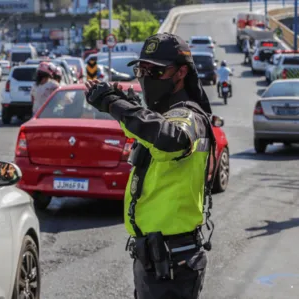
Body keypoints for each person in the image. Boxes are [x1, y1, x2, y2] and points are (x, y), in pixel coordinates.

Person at [84, 32, 216, 299]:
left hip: (173, 261)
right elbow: (149, 129)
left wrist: (114, 104)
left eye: (156, 71)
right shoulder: (163, 116)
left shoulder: (189, 115)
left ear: (181, 73)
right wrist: (129, 106)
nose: (146, 77)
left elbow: (171, 139)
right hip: (154, 257)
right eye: (142, 69)